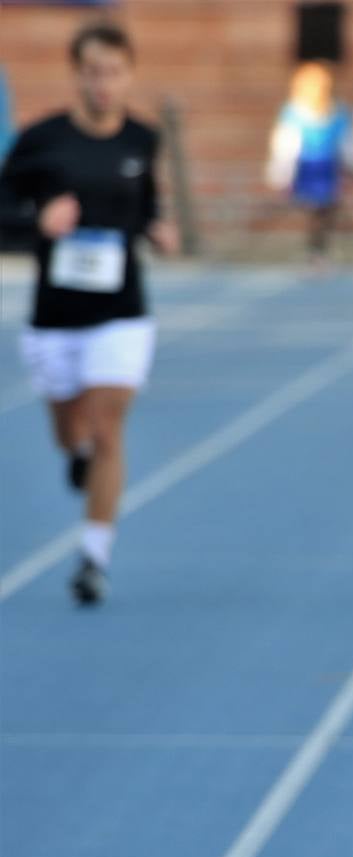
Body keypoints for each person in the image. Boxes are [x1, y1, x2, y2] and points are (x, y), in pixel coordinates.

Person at [0, 22, 178, 604]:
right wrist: (37, 224)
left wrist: (157, 229)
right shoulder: (41, 142)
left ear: (130, 75)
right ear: (77, 73)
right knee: (69, 429)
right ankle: (73, 452)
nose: (103, 84)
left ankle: (93, 558)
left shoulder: (142, 140)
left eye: (114, 72)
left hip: (122, 311)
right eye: (93, 71)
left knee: (107, 426)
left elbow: (147, 204)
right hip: (55, 316)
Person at [264, 61, 352, 268]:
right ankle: (318, 251)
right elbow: (346, 142)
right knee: (322, 210)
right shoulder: (334, 110)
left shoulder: (297, 112)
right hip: (322, 166)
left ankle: (315, 251)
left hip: (311, 166)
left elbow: (286, 144)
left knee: (318, 210)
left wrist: (281, 170)